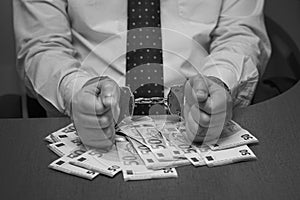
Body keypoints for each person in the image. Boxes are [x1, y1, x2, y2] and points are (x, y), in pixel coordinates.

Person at [13, 0, 271, 149]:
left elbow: (239, 32)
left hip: (199, 118)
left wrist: (218, 82)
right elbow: (42, 44)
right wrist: (78, 91)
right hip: (86, 120)